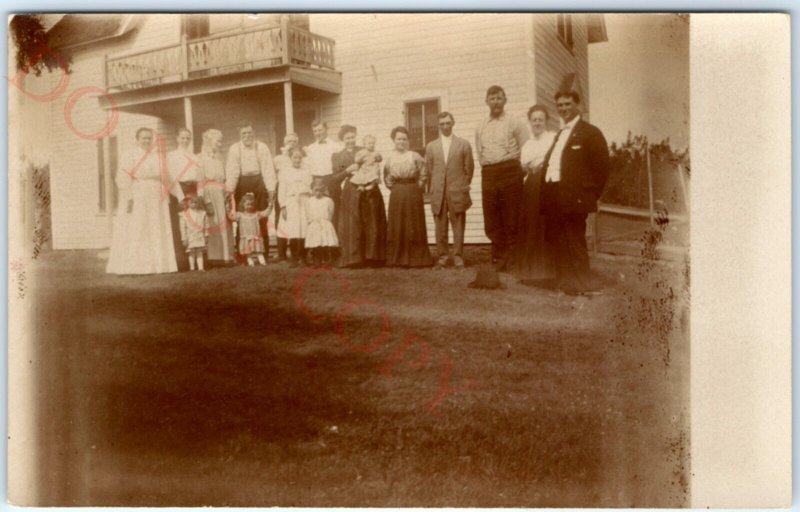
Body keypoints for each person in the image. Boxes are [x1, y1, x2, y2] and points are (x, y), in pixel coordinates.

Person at [539, 90, 610, 295]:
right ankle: (565, 283)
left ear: (577, 105)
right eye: (560, 105)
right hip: (553, 193)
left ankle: (583, 284)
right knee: (558, 240)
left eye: (568, 104)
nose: (563, 109)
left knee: (574, 239)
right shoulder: (561, 134)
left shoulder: (590, 132)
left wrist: (590, 193)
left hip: (574, 196)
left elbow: (602, 167)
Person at [106, 127, 184, 275]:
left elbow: (168, 177)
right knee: (138, 227)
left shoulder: (158, 157)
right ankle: (135, 267)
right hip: (137, 194)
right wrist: (128, 196)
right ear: (137, 139)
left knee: (155, 227)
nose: (147, 140)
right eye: (143, 138)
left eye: (149, 138)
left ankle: (159, 266)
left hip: (156, 196)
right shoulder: (129, 155)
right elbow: (122, 176)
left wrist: (180, 195)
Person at [475, 85, 529, 271]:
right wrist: (487, 166)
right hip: (489, 173)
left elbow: (526, 148)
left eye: (499, 98)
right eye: (492, 98)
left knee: (511, 217)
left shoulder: (515, 122)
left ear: (505, 100)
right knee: (492, 218)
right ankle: (498, 259)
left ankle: (513, 260)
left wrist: (518, 172)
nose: (495, 102)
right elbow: (479, 151)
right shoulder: (481, 125)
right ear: (486, 101)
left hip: (510, 171)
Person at [513, 104, 558, 285]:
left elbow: (551, 162)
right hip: (531, 187)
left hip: (547, 186)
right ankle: (531, 272)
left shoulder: (553, 139)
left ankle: (549, 272)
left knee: (546, 227)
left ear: (546, 121)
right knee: (531, 226)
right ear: (530, 122)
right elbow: (525, 167)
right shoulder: (527, 145)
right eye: (534, 120)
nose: (537, 123)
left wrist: (537, 166)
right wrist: (531, 167)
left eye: (540, 119)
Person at [426, 112, 474, 270]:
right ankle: (443, 257)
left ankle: (458, 256)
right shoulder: (431, 146)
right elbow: (430, 170)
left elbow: (469, 169)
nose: (445, 126)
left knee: (458, 223)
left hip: (457, 190)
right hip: (438, 190)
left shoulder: (463, 144)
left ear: (453, 123)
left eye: (448, 123)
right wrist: (435, 187)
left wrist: (462, 185)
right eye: (442, 124)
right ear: (438, 126)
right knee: (440, 224)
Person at [336, 124, 387, 267]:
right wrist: (346, 171)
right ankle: (353, 259)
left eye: (352, 137)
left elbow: (376, 162)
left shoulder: (364, 149)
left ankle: (372, 257)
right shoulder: (338, 156)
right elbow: (334, 178)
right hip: (351, 190)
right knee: (353, 224)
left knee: (371, 222)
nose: (350, 140)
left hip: (369, 190)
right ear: (342, 139)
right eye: (347, 138)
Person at [225, 121, 276, 258]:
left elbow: (268, 169)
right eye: (244, 133)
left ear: (254, 133)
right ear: (239, 135)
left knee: (261, 218)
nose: (247, 136)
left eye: (249, 133)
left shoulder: (262, 147)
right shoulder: (235, 149)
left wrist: (271, 189)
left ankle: (263, 252)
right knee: (243, 218)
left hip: (259, 182)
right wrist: (230, 191)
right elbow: (232, 171)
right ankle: (243, 254)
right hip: (242, 182)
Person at [384, 126, 434, 268]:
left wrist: (415, 188)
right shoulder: (390, 158)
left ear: (408, 140)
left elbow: (424, 174)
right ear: (394, 140)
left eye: (404, 139)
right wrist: (396, 188)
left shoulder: (415, 156)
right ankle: (398, 259)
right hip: (397, 192)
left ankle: (418, 259)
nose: (402, 142)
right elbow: (387, 177)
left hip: (413, 191)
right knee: (398, 223)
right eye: (399, 139)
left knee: (415, 224)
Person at [197, 129, 235, 265]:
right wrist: (206, 201)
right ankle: (214, 258)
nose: (220, 144)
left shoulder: (221, 158)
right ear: (209, 141)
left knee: (224, 223)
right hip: (209, 192)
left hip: (221, 192)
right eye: (218, 141)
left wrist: (227, 195)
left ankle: (226, 256)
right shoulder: (200, 158)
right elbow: (200, 180)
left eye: (221, 141)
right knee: (213, 223)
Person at [167, 128, 197, 271]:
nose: (185, 141)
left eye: (187, 138)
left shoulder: (193, 156)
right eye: (182, 138)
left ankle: (195, 260)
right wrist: (180, 196)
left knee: (192, 224)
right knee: (179, 225)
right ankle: (180, 262)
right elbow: (171, 178)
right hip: (178, 191)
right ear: (177, 139)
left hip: (192, 190)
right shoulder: (171, 156)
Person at [278, 147, 313, 267]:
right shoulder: (285, 172)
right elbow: (282, 190)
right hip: (291, 202)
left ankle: (303, 257)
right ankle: (294, 257)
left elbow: (310, 187)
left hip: (304, 201)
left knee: (304, 229)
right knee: (293, 230)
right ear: (290, 158)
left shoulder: (306, 171)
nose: (297, 160)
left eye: (299, 157)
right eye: (294, 157)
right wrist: (283, 206)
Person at [305, 120, 343, 222]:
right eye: (315, 131)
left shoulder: (336, 146)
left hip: (331, 180)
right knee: (318, 209)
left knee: (333, 208)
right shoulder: (311, 148)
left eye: (320, 130)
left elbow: (341, 166)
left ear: (326, 129)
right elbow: (308, 167)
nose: (318, 133)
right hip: (316, 180)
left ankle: (333, 236)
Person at [273, 133, 302, 262]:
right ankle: (281, 253)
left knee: (297, 223)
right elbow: (273, 175)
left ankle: (298, 253)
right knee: (282, 221)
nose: (291, 143)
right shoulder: (279, 158)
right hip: (283, 190)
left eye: (294, 141)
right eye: (289, 141)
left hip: (297, 192)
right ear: (284, 143)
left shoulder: (300, 157)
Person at [229, 193, 272, 266]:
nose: (249, 206)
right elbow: (231, 217)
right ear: (243, 205)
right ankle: (250, 262)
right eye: (247, 204)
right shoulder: (240, 215)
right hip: (246, 236)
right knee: (248, 251)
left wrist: (270, 206)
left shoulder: (256, 214)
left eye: (251, 204)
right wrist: (229, 209)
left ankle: (262, 261)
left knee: (259, 251)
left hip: (256, 236)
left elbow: (265, 213)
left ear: (254, 205)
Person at [304, 177, 339, 267]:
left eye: (320, 191)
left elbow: (331, 212)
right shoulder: (309, 201)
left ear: (324, 190)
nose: (318, 193)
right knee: (316, 243)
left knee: (325, 242)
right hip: (314, 224)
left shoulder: (328, 200)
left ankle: (326, 261)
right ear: (312, 190)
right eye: (316, 190)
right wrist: (311, 222)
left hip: (325, 223)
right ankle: (316, 260)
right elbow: (308, 213)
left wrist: (326, 221)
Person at [180, 195, 209, 272]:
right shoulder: (184, 214)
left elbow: (206, 225)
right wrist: (184, 238)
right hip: (190, 235)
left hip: (199, 235)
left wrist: (206, 235)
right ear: (187, 203)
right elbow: (182, 228)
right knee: (191, 252)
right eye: (191, 202)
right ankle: (192, 268)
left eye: (195, 202)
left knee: (199, 251)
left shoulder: (202, 213)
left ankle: (200, 268)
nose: (194, 204)